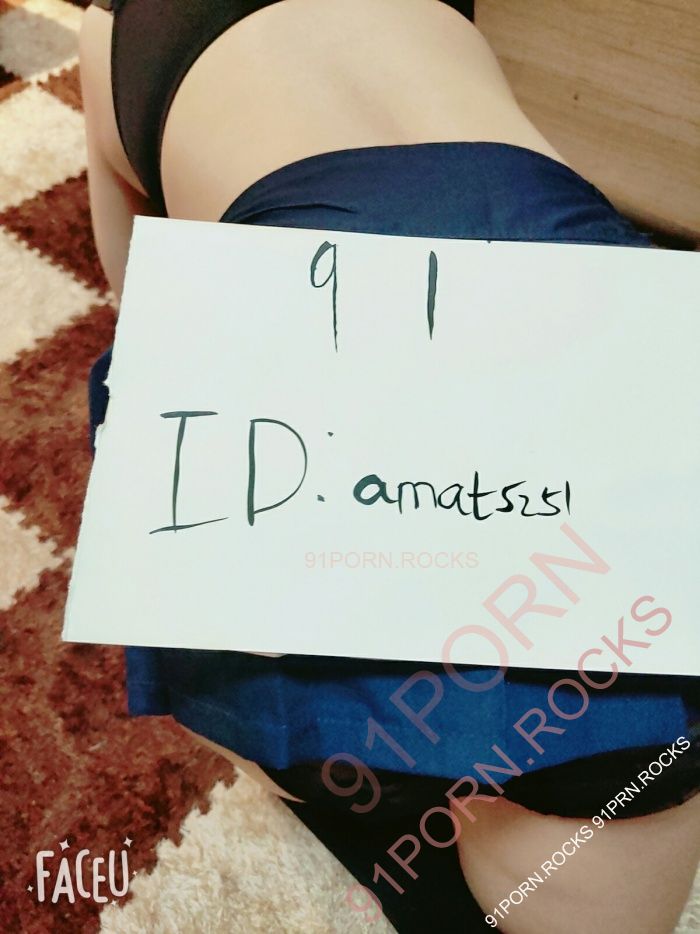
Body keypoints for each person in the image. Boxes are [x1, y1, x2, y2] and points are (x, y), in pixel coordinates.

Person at [78, 2, 700, 931]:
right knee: (598, 796)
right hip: (575, 291)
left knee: (317, 724)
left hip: (300, 441)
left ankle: (359, 782)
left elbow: (146, 306)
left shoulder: (105, 32)